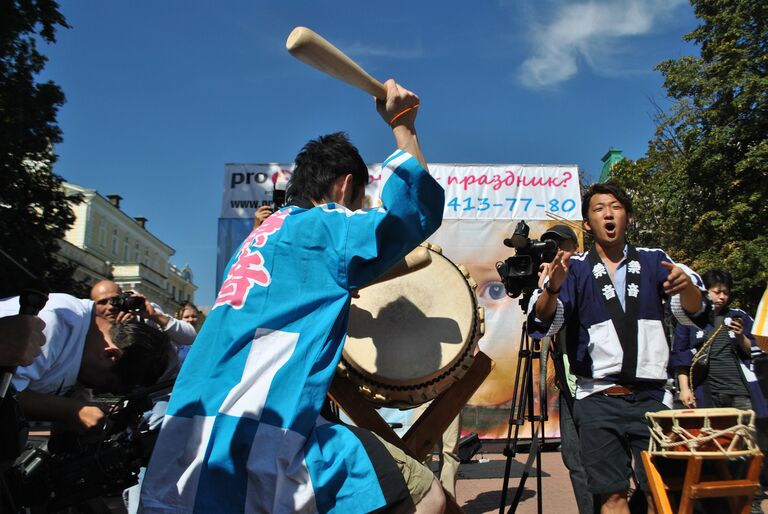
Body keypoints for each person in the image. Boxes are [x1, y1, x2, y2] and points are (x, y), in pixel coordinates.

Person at [139, 80, 447, 513]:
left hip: (187, 440)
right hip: (261, 435)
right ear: (343, 188)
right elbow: (414, 212)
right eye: (358, 201)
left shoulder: (262, 240)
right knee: (425, 493)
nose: (356, 212)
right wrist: (403, 126)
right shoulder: (326, 226)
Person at [528, 182, 708, 514]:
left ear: (627, 216)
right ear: (587, 223)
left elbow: (696, 311)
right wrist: (552, 289)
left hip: (653, 397)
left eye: (615, 207)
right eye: (598, 209)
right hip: (598, 399)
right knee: (611, 496)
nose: (608, 214)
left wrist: (687, 290)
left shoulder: (655, 261)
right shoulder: (575, 269)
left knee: (661, 492)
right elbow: (542, 323)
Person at [0, 293, 172, 432]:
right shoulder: (53, 325)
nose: (99, 390)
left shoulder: (85, 338)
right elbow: (6, 394)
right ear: (111, 355)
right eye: (109, 383)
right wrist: (71, 410)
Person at [672, 269, 767, 513]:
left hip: (741, 393)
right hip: (708, 394)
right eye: (716, 291)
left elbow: (754, 351)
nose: (721, 297)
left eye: (725, 292)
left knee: (746, 447)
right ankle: (718, 500)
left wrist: (741, 337)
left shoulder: (739, 316)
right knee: (713, 448)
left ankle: (749, 498)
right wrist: (684, 388)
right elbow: (681, 357)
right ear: (705, 292)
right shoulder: (688, 319)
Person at [537, 224, 596, 514]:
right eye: (550, 248)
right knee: (574, 459)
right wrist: (548, 287)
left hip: (596, 387)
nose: (556, 253)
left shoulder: (590, 278)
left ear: (576, 248)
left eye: (561, 246)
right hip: (569, 388)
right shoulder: (550, 284)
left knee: (606, 459)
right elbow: (540, 324)